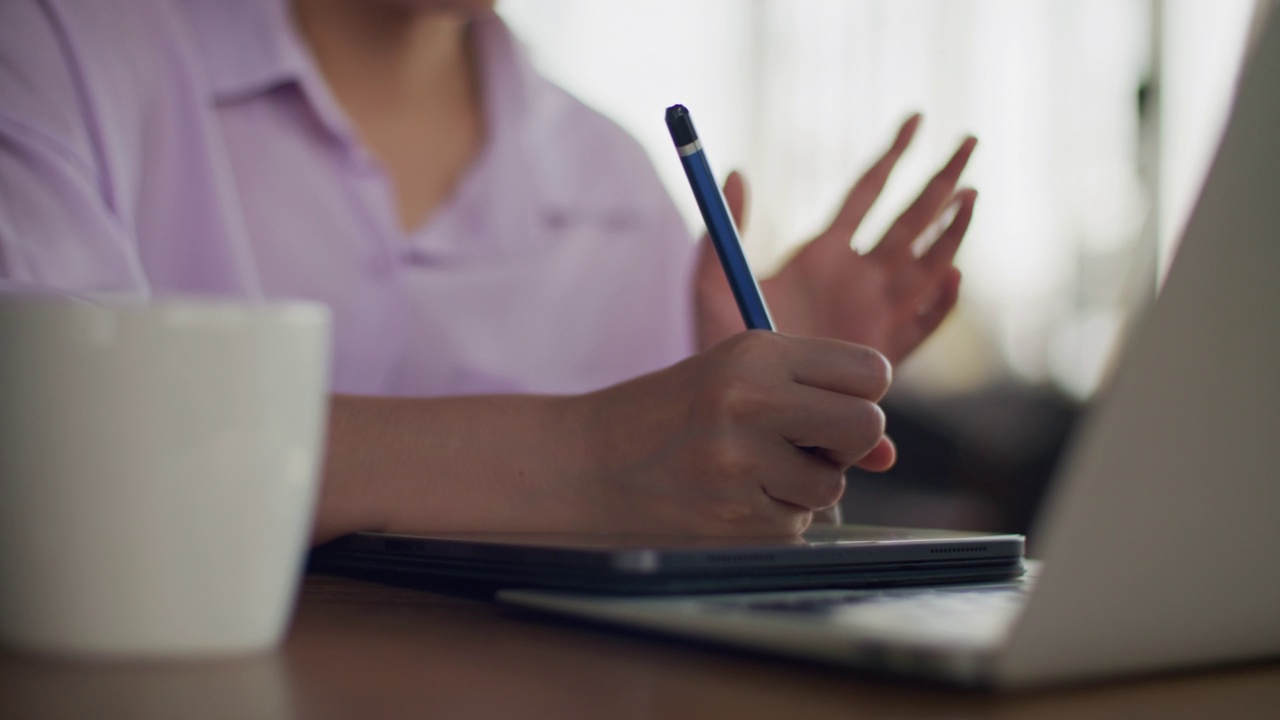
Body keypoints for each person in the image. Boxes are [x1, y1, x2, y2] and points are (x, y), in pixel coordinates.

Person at [0, 0, 977, 542]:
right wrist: (584, 454)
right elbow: (48, 446)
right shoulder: (55, 49)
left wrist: (758, 410)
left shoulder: (616, 181)